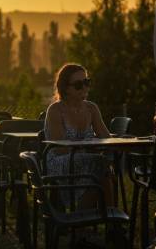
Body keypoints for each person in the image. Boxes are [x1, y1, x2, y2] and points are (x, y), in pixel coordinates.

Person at [44, 63, 114, 208]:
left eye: (87, 82)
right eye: (78, 85)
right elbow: (59, 148)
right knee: (100, 165)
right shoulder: (55, 110)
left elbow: (106, 138)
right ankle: (105, 217)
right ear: (65, 88)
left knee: (102, 166)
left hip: (86, 160)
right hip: (58, 162)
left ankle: (89, 218)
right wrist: (89, 146)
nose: (85, 88)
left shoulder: (91, 108)